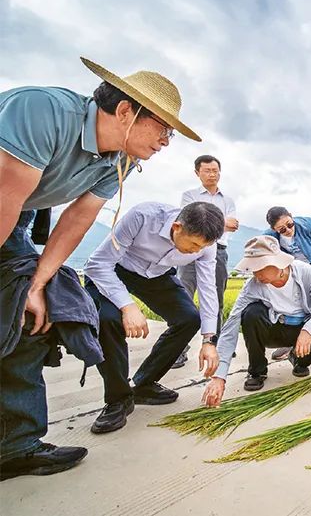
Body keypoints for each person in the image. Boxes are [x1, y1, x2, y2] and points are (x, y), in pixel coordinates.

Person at [0, 57, 199, 477]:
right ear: (126, 111)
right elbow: (6, 195)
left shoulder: (116, 162)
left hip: (14, 218)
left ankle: (16, 446)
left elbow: (77, 218)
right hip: (5, 202)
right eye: (163, 128)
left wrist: (37, 283)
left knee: (35, 312)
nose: (166, 141)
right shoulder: (43, 111)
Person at [83, 202, 224, 434]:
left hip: (156, 275)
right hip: (113, 268)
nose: (196, 251)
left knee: (188, 318)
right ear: (177, 227)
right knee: (108, 319)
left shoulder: (206, 245)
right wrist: (127, 306)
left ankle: (144, 384)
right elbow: (99, 264)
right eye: (193, 245)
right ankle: (118, 399)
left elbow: (208, 288)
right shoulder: (142, 216)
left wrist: (209, 340)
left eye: (203, 247)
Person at [201, 236, 311, 405]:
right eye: (253, 269)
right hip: (274, 329)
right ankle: (257, 371)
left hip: (301, 329)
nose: (256, 274)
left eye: (260, 267)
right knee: (251, 313)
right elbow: (231, 325)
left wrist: (308, 330)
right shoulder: (253, 285)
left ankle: (298, 359)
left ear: (278, 262)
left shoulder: (305, 272)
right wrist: (219, 377)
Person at [173, 154, 238, 369]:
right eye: (207, 170)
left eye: (215, 170)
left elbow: (234, 225)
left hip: (218, 252)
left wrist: (208, 220)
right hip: (189, 251)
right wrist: (221, 222)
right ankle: (178, 350)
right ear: (197, 173)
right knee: (183, 298)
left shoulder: (227, 200)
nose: (212, 174)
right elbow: (187, 220)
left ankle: (214, 344)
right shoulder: (189, 195)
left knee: (215, 299)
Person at [264, 206, 311, 362]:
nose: (288, 230)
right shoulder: (269, 236)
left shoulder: (307, 225)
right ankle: (291, 343)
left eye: (290, 224)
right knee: (294, 306)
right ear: (274, 229)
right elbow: (259, 247)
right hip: (293, 272)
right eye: (282, 230)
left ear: (291, 217)